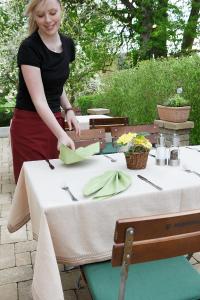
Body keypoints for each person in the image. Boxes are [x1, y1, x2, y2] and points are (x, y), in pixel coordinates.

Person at [10, 0, 80, 183]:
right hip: (29, 126)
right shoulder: (29, 48)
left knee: (56, 183)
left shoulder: (68, 45)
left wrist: (69, 109)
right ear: (33, 16)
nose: (48, 20)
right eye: (41, 15)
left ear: (61, 10)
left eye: (53, 13)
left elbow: (56, 84)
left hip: (53, 121)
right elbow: (39, 99)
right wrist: (61, 134)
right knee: (35, 186)